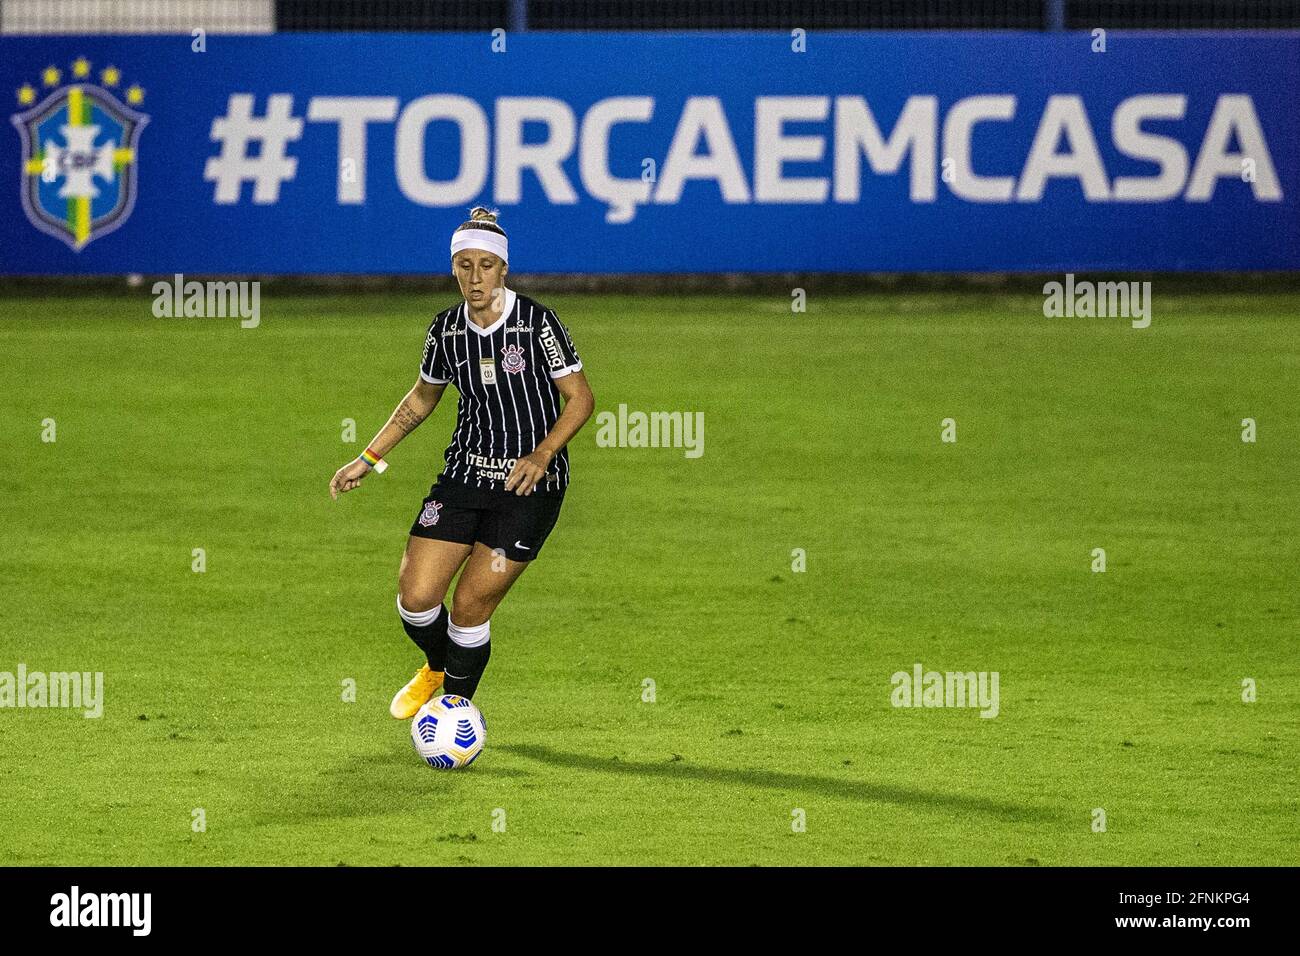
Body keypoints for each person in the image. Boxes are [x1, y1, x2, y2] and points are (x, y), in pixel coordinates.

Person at [329, 207, 595, 716]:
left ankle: (454, 713)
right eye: (464, 265)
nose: (475, 278)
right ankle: (437, 667)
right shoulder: (446, 330)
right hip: (464, 475)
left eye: (486, 265)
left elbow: (581, 399)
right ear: (454, 268)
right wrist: (369, 456)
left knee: (471, 607)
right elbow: (421, 400)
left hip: (527, 489)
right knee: (416, 598)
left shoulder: (537, 323)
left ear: (504, 269)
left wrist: (542, 454)